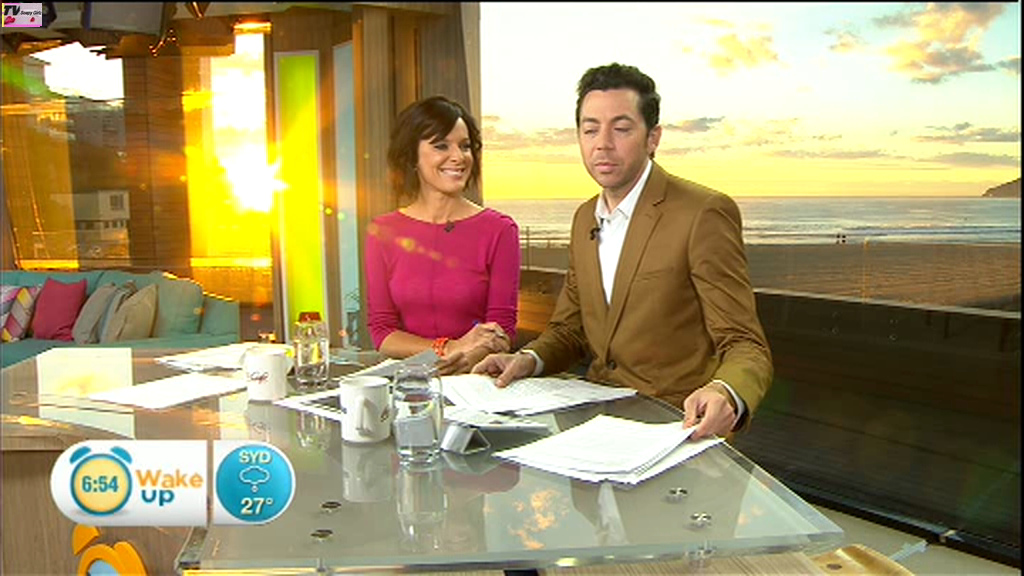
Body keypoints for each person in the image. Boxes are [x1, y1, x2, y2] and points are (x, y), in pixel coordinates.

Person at [472, 64, 772, 439]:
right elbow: (571, 330)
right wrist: (528, 360)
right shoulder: (584, 218)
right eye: (590, 129)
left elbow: (745, 343)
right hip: (597, 422)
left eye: (622, 128)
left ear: (653, 138)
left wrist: (725, 391)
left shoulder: (702, 212)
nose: (603, 143)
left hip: (676, 427)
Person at [365, 95, 520, 375]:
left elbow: (501, 330)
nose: (459, 157)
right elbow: (382, 332)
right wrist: (448, 347)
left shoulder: (500, 230)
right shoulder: (382, 232)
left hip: (473, 378)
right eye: (441, 145)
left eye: (465, 146)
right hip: (408, 380)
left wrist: (467, 360)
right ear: (411, 155)